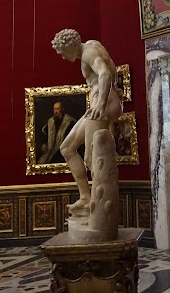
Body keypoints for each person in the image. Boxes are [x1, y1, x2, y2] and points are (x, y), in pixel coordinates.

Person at [51, 28, 123, 216]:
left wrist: (101, 103)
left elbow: (105, 74)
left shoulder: (88, 53)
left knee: (92, 158)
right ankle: (85, 197)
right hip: (104, 101)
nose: (63, 57)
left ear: (71, 46)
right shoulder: (92, 45)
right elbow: (111, 71)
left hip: (104, 104)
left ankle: (100, 213)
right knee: (67, 148)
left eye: (63, 53)